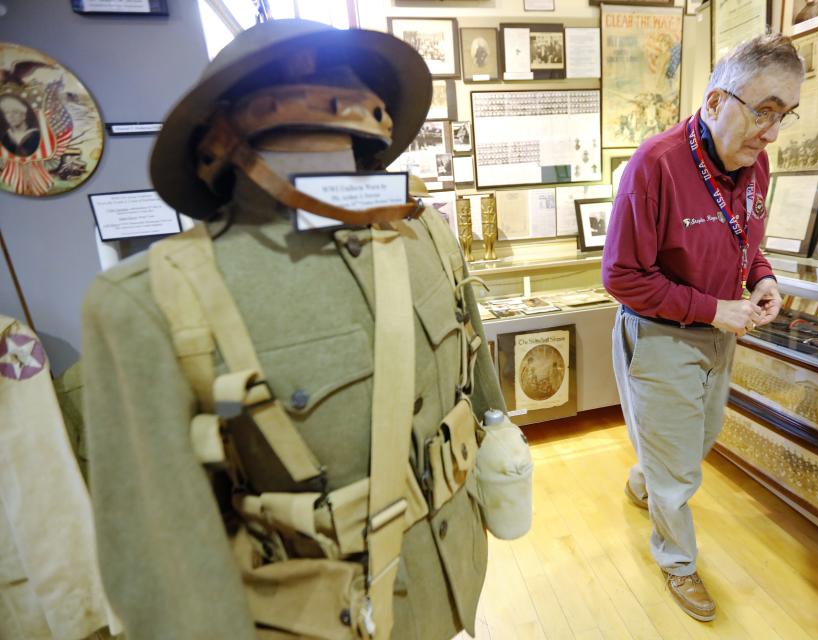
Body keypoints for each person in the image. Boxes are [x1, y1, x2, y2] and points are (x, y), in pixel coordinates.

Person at [82, 19, 515, 640]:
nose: (321, 99)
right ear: (218, 140)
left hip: (457, 576)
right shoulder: (149, 301)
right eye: (295, 101)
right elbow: (168, 571)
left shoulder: (426, 234)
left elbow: (477, 389)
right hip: (316, 617)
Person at [601, 34, 804, 622]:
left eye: (783, 115)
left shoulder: (755, 163)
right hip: (663, 334)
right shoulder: (656, 163)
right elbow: (622, 277)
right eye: (763, 110)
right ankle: (678, 561)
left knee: (699, 438)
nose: (770, 132)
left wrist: (761, 277)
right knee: (679, 469)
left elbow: (748, 243)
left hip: (722, 332)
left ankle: (646, 478)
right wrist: (716, 310)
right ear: (716, 101)